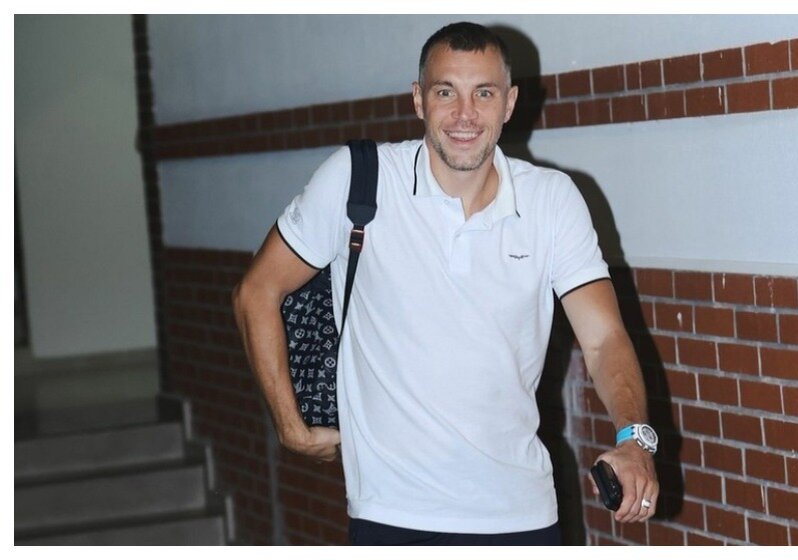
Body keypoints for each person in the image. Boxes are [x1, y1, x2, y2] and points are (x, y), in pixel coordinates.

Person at [233, 21, 659, 546]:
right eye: (445, 92)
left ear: (509, 103)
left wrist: (635, 438)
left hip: (523, 516)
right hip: (393, 516)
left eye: (484, 93)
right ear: (418, 99)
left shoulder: (551, 200)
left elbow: (604, 338)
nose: (464, 114)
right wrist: (288, 424)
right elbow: (257, 292)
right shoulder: (359, 181)